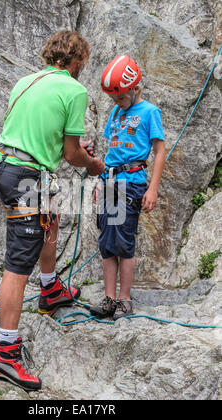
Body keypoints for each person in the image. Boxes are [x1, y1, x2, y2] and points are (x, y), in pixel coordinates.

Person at [0, 30, 104, 391]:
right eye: (83, 61)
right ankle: (5, 352)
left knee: (50, 219)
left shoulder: (26, 80)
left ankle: (50, 290)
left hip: (4, 164)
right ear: (77, 60)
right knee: (18, 265)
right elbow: (71, 155)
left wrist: (73, 147)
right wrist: (92, 163)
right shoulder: (74, 89)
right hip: (26, 176)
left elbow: (34, 133)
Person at [90, 55, 166, 321]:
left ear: (135, 89)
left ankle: (125, 299)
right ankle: (109, 299)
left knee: (124, 241)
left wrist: (152, 188)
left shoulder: (149, 112)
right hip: (109, 183)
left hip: (131, 184)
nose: (118, 103)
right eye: (114, 99)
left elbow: (159, 150)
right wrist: (100, 182)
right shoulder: (115, 112)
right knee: (107, 243)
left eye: (121, 98)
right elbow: (111, 150)